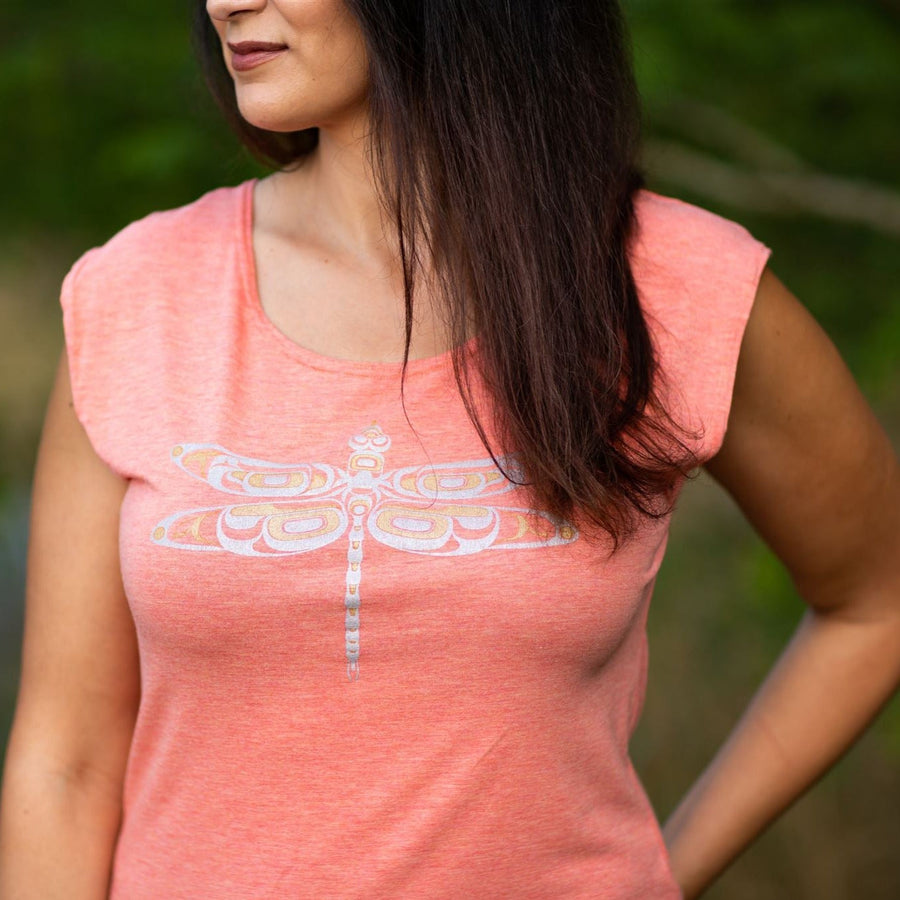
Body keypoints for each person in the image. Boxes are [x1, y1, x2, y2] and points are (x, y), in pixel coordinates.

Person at [1, 1, 898, 898]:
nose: (225, 2)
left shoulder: (674, 287)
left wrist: (663, 873)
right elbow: (65, 763)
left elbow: (878, 597)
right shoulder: (136, 296)